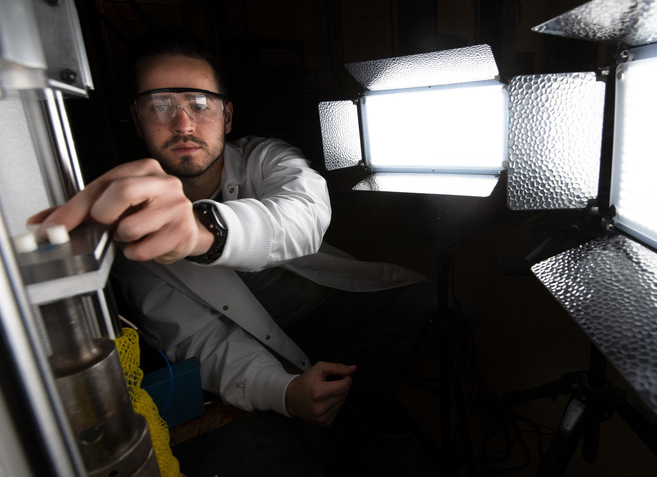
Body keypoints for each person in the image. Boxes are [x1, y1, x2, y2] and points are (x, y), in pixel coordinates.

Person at [29, 31, 461, 441]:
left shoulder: (265, 157)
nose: (183, 123)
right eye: (159, 105)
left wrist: (204, 232)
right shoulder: (133, 229)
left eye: (201, 103)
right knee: (307, 440)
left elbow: (305, 215)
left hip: (328, 296)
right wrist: (284, 392)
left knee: (448, 314)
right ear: (138, 121)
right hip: (262, 338)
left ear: (227, 115)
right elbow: (197, 339)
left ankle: (369, 393)